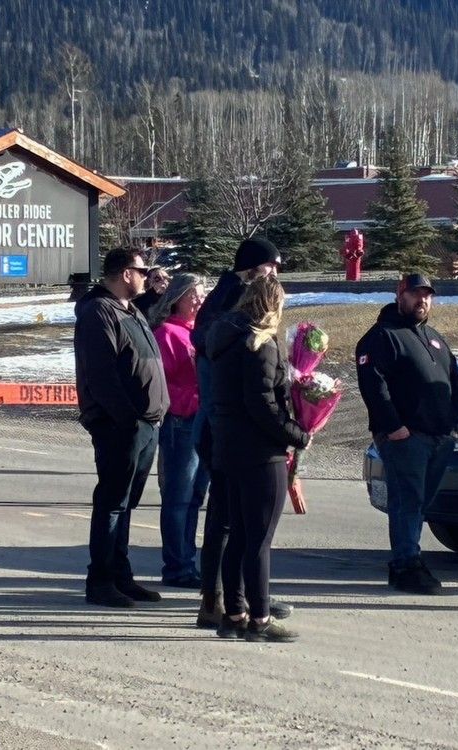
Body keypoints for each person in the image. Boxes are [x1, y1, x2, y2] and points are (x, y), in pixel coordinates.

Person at [190, 237, 294, 628]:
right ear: (252, 268)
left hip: (226, 422)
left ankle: (237, 598)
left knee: (233, 520)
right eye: (271, 267)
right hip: (226, 424)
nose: (275, 275)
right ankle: (217, 599)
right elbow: (207, 345)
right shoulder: (229, 301)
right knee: (227, 520)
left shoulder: (232, 301)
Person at [206, 275, 309, 642]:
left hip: (228, 448)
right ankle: (260, 618)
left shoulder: (223, 338)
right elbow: (262, 404)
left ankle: (233, 612)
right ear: (272, 304)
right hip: (260, 452)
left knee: (237, 535)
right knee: (259, 540)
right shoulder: (260, 344)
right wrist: (297, 434)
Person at [355, 273, 458, 594]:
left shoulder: (434, 338)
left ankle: (407, 560)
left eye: (427, 295)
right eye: (416, 294)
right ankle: (406, 565)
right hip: (405, 437)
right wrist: (393, 427)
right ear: (400, 294)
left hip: (438, 437)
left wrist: (453, 426)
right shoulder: (382, 336)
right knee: (407, 500)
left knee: (418, 502)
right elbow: (374, 386)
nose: (423, 300)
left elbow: (455, 380)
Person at [74, 247, 169, 608]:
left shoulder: (131, 310)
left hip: (146, 423)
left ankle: (120, 576)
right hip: (121, 425)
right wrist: (127, 419)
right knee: (112, 502)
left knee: (126, 504)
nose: (147, 277)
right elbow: (102, 374)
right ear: (125, 273)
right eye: (142, 271)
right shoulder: (98, 310)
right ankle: (100, 581)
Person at [150, 273, 210, 589]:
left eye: (202, 295)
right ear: (177, 299)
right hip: (181, 423)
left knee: (196, 496)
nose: (199, 301)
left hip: (203, 422)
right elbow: (162, 385)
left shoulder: (199, 333)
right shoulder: (167, 334)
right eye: (193, 296)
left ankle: (188, 562)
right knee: (179, 497)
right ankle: (176, 566)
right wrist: (194, 399)